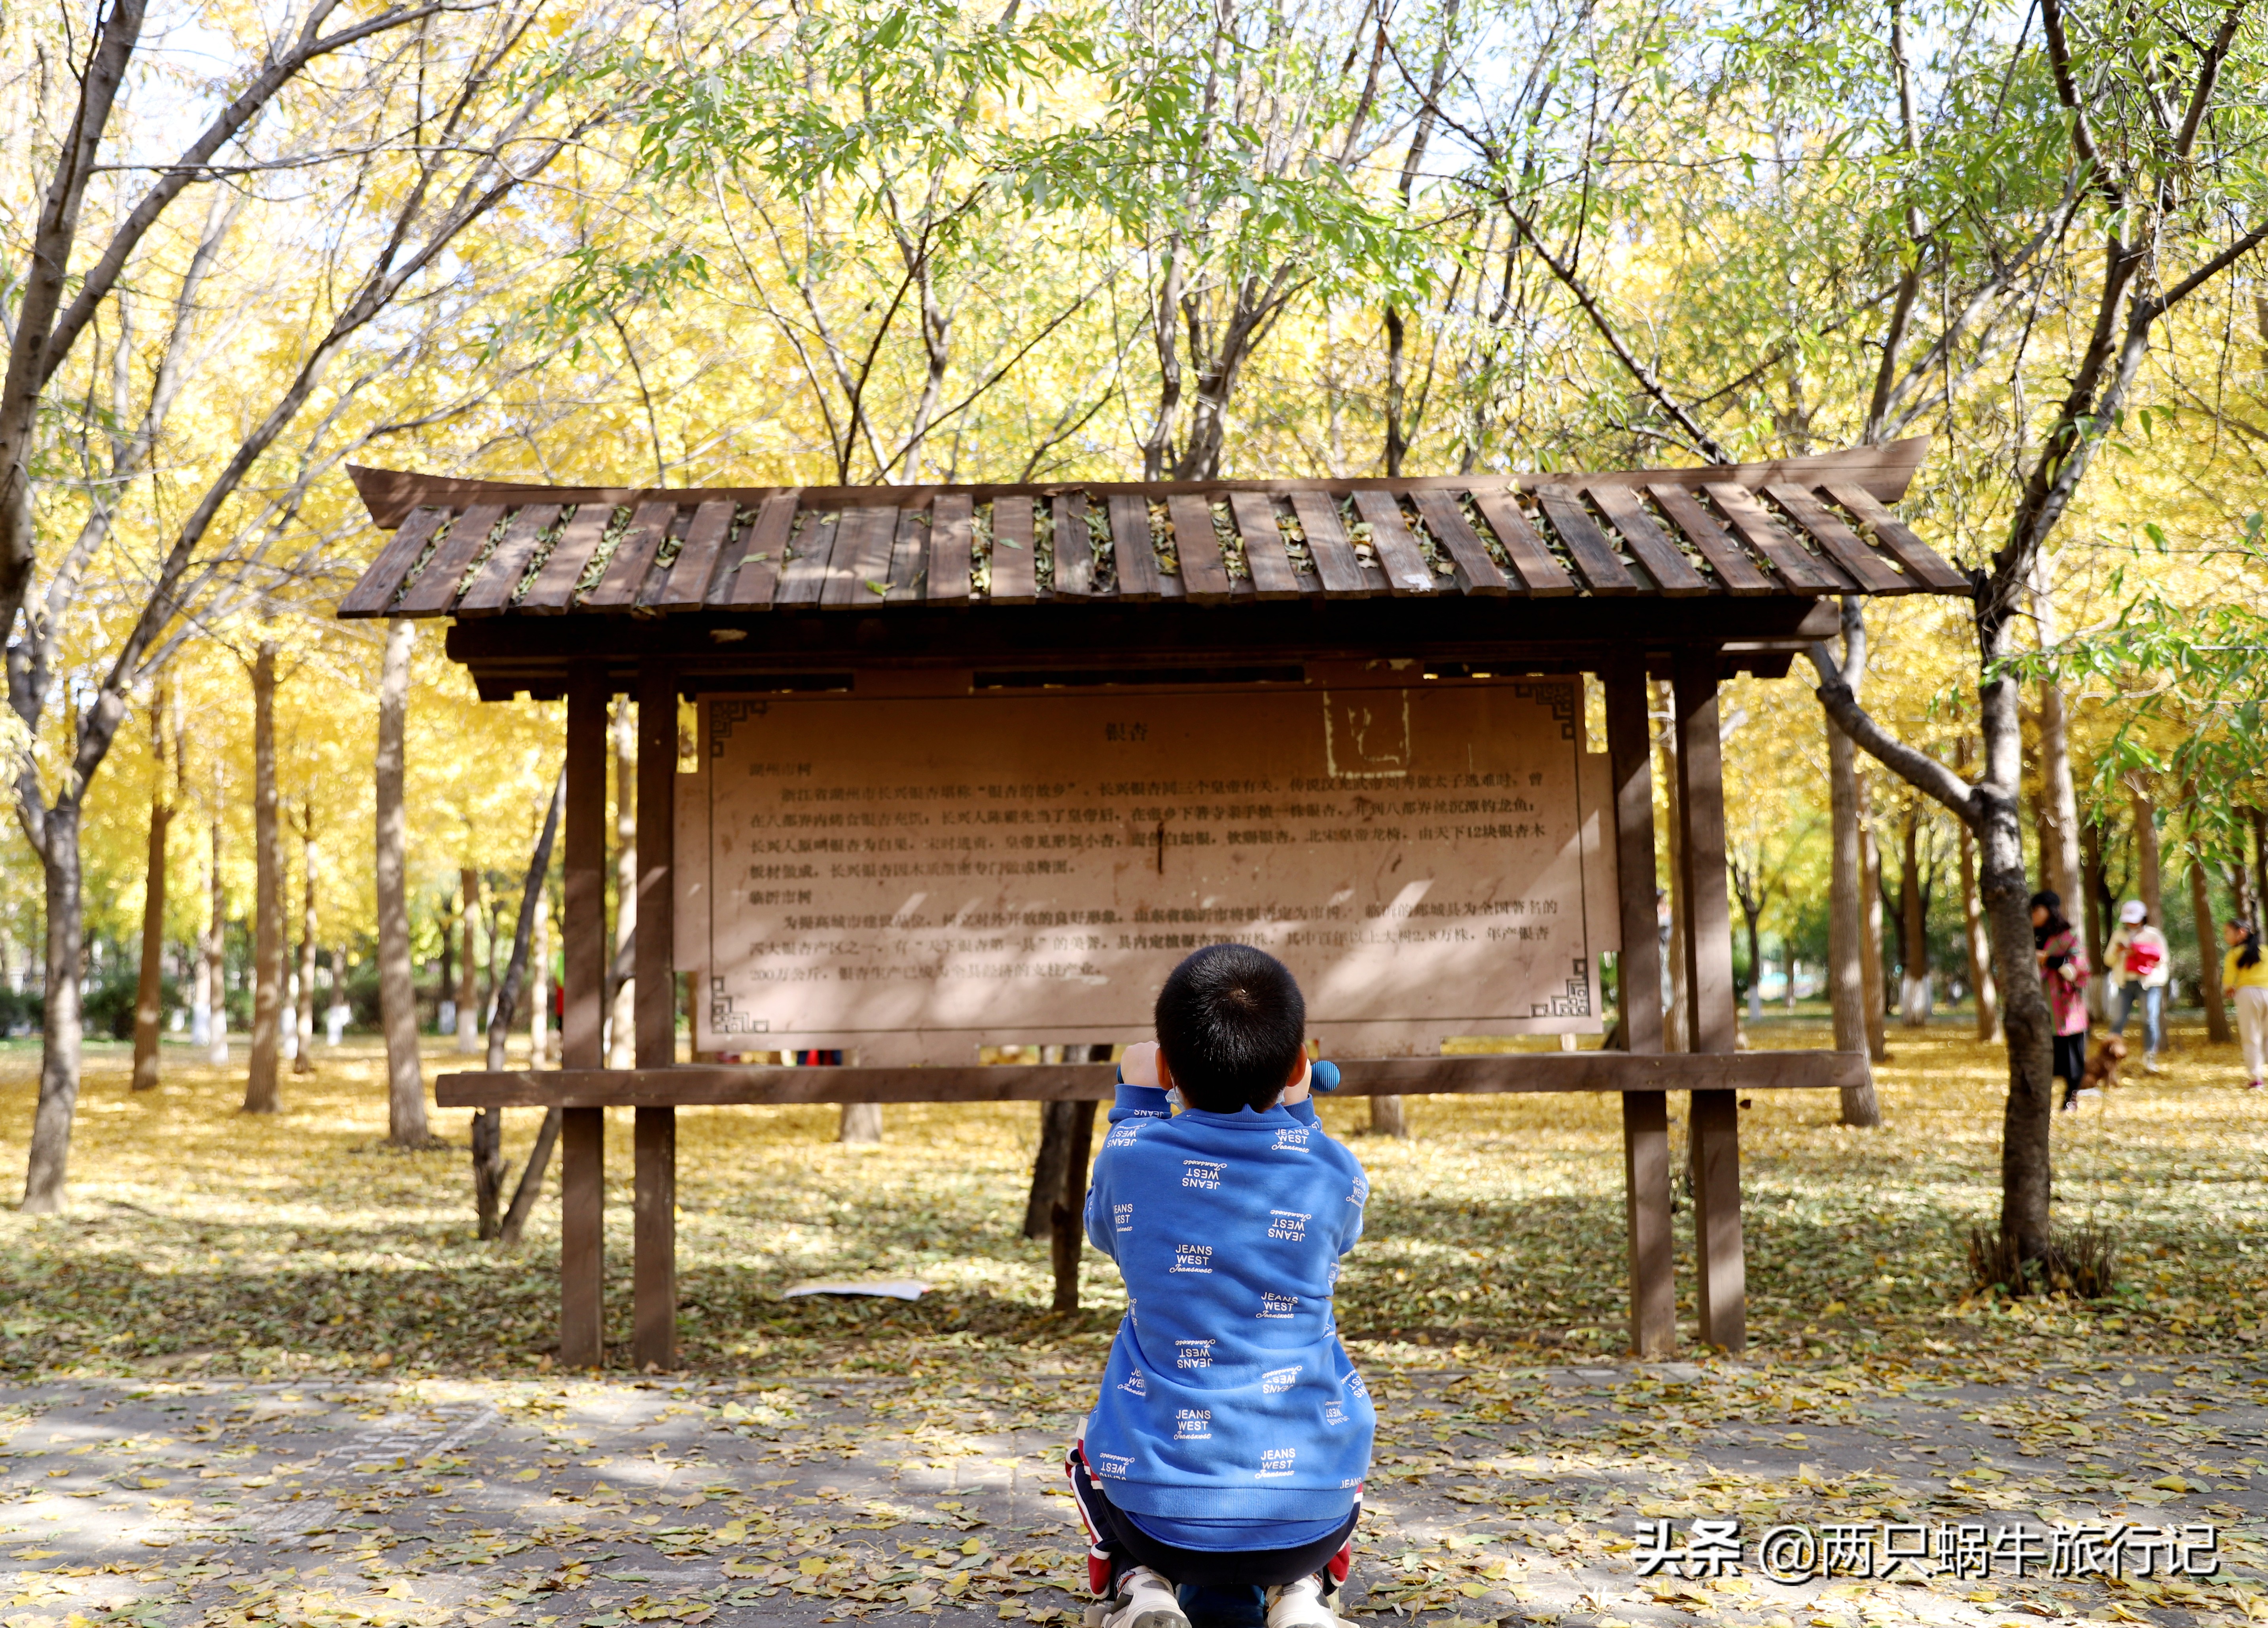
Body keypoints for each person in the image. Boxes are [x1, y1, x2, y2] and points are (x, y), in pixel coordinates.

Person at [1070, 944, 1372, 1628]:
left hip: (1158, 1517)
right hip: (1310, 1513)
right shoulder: (1334, 1171)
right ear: (1299, 1066)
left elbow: (1102, 1222)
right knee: (1333, 1428)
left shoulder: (1129, 1162)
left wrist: (1138, 1098)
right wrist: (1300, 1116)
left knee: (1088, 1454)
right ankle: (1302, 1593)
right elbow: (1333, 1220)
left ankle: (1140, 1584)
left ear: (1170, 1070)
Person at [2031, 890, 2092, 1110]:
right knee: (2045, 1054)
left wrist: (2048, 959)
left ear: (2049, 910)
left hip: (2066, 1007)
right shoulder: (2029, 935)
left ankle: (2071, 1097)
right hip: (2039, 1004)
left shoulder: (2068, 935)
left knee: (2072, 1055)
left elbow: (2080, 968)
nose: (2033, 915)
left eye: (2037, 910)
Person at [2103, 900, 2170, 1074]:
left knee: (2149, 1020)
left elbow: (2163, 958)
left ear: (2143, 918)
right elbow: (2108, 961)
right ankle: (2111, 1060)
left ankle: (2149, 1058)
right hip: (2125, 983)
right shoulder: (2119, 935)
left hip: (2148, 983)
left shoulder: (2153, 935)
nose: (2131, 922)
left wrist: (2140, 951)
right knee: (2118, 1020)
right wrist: (2117, 952)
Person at [2223, 919, 2268, 1091]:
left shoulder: (2234, 954)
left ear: (2241, 932)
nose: (2226, 937)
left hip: (2248, 995)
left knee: (2251, 1037)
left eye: (2228, 932)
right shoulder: (2265, 951)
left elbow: (2228, 982)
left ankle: (2257, 1079)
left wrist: (2229, 989)